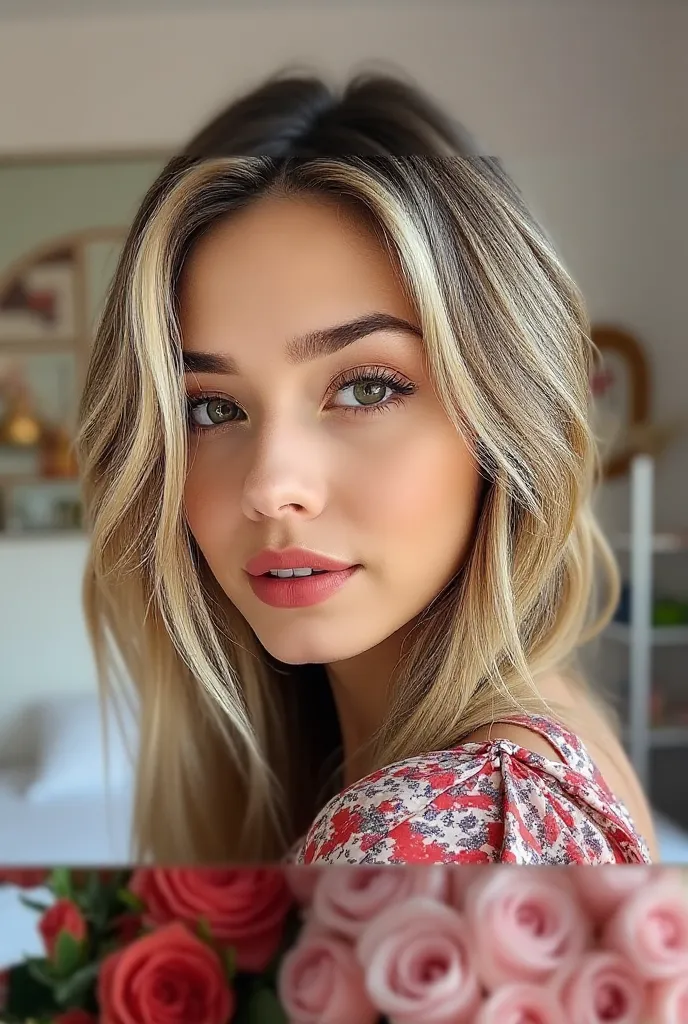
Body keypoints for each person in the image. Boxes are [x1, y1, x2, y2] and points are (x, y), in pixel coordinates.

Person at [75, 69, 657, 865]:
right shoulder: (552, 736)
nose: (272, 485)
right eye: (211, 408)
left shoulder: (429, 827)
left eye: (367, 387)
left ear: (506, 417)